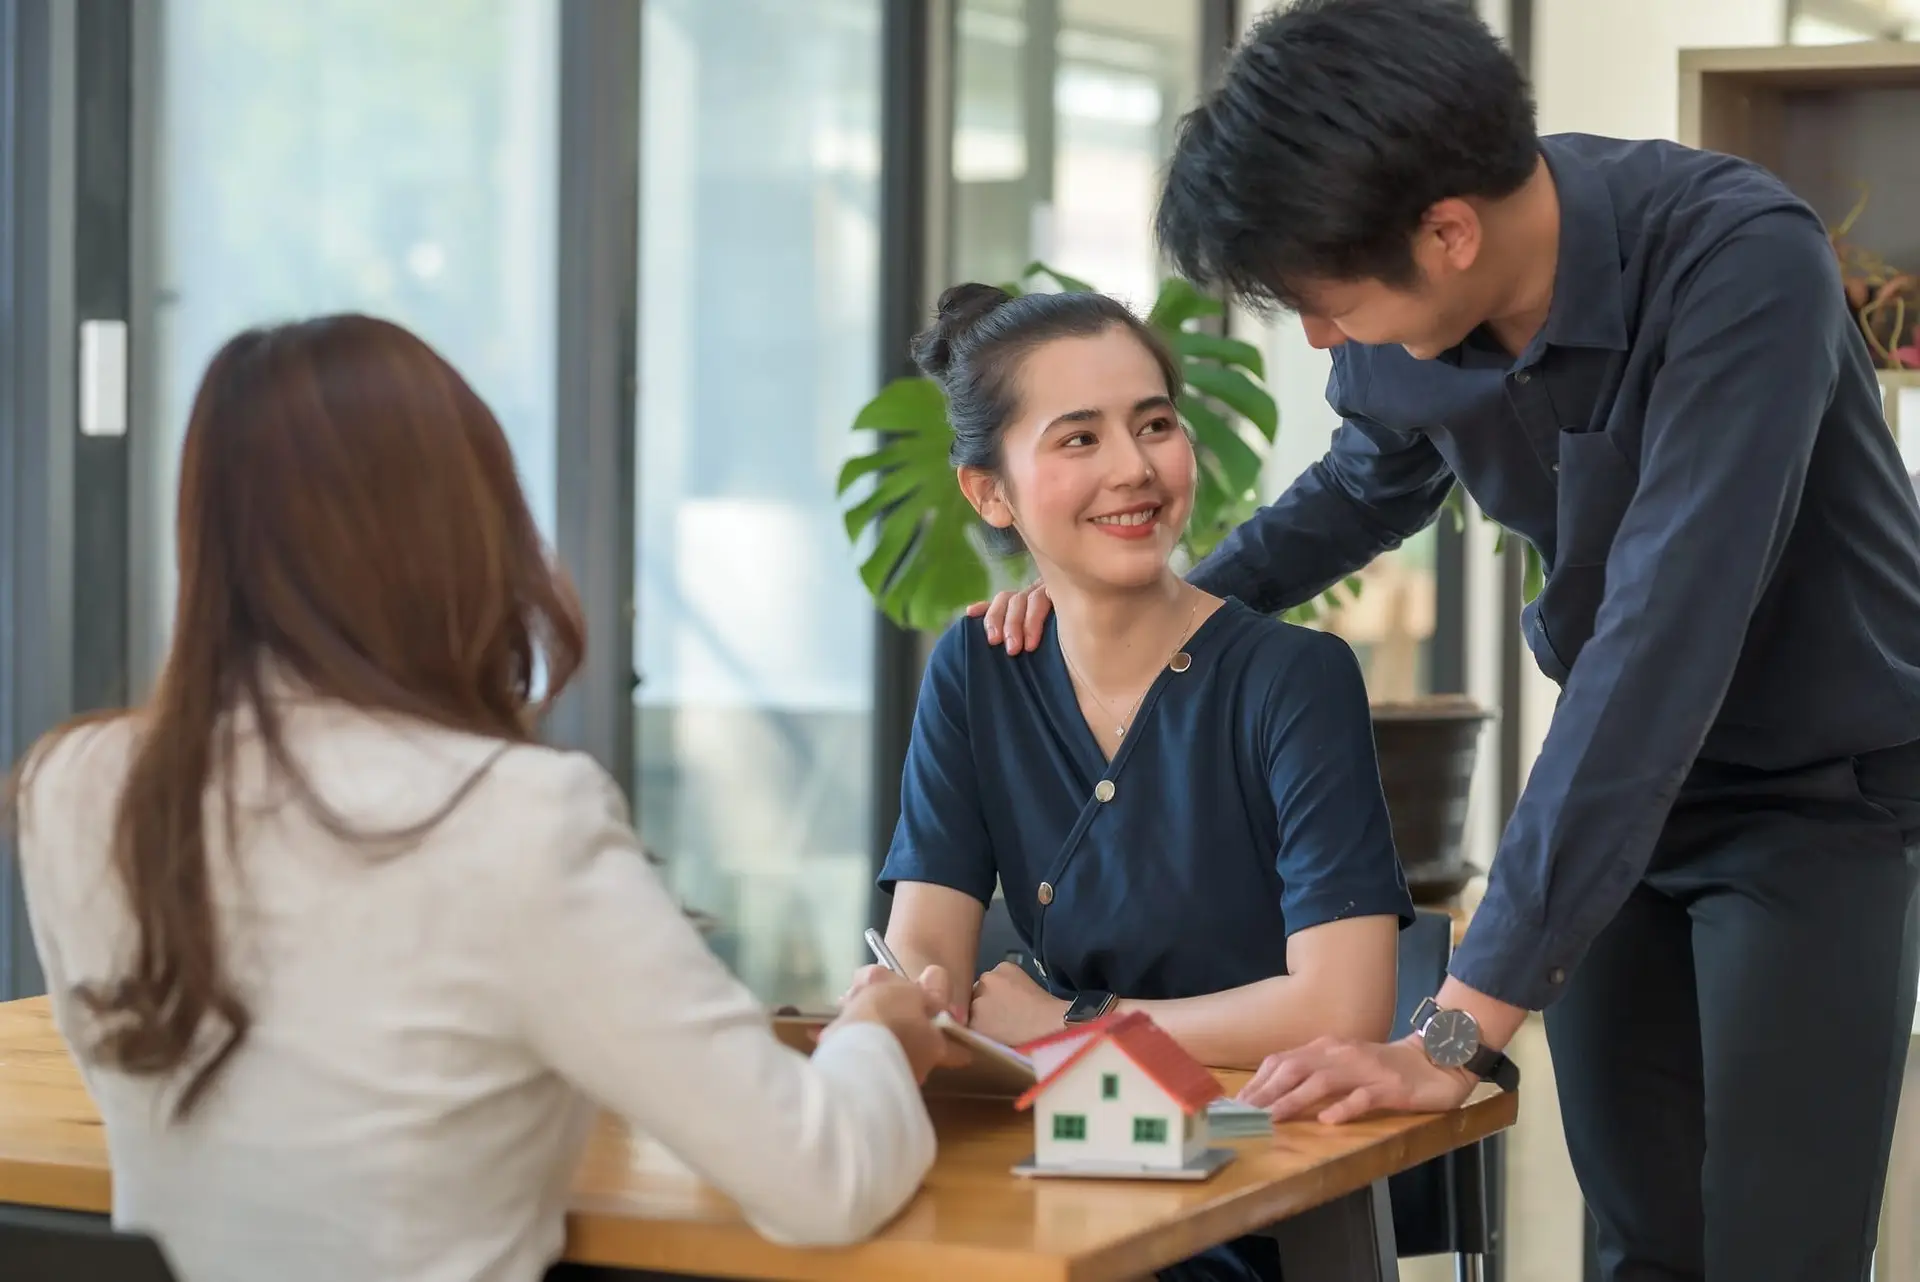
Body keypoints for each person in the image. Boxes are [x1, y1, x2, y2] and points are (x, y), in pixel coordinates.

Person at [980, 3, 1920, 1279]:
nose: (1319, 337)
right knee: (1640, 1239)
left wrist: (1454, 1031)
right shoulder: (1412, 312)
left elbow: (1661, 637)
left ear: (1450, 231)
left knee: (1775, 1248)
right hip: (1619, 799)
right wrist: (1147, 615)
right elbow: (1362, 487)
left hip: (1820, 792)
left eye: (1326, 300)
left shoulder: (1739, 261)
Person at [13, 315, 962, 1282]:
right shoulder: (517, 814)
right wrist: (874, 1036)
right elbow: (821, 1178)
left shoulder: (79, 787)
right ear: (467, 527)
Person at [855, 283, 1416, 1282]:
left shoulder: (1292, 680)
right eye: (1078, 439)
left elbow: (1341, 1006)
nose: (1134, 467)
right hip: (1047, 1171)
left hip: (1240, 1186)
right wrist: (904, 1009)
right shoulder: (979, 670)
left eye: (1154, 424)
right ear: (990, 492)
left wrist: (1076, 1026)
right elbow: (926, 969)